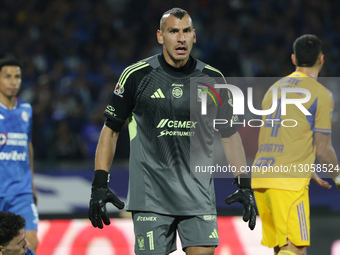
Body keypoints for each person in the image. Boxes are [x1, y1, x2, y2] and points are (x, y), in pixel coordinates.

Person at [89, 7, 256, 255]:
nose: (181, 38)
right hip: (150, 199)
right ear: (160, 36)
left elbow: (229, 134)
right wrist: (99, 184)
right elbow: (110, 131)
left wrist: (244, 184)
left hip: (198, 196)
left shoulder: (213, 78)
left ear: (194, 36)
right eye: (173, 31)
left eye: (186, 31)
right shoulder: (136, 76)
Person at [251, 34, 340, 255]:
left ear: (293, 59)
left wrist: (307, 166)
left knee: (283, 248)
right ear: (321, 59)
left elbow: (281, 136)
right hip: (288, 183)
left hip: (262, 177)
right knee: (295, 250)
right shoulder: (321, 94)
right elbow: (323, 149)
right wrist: (337, 177)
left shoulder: (273, 89)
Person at [0, 58, 38, 253]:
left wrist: (31, 185)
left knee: (30, 241)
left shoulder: (26, 109)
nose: (13, 81)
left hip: (21, 192)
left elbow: (28, 145)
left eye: (17, 77)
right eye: (7, 76)